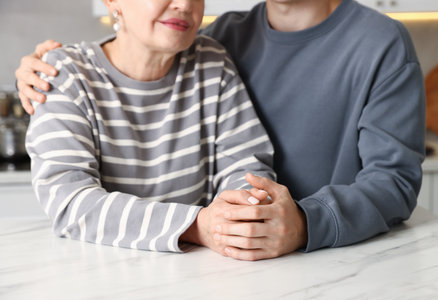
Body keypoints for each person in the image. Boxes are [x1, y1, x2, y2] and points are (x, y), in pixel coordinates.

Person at [16, 0, 426, 261]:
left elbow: (393, 181)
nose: (183, 5)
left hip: (319, 260)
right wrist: (51, 67)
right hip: (169, 261)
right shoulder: (220, 36)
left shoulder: (380, 42)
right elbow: (69, 198)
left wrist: (291, 220)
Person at [19, 0, 283, 258]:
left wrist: (240, 213)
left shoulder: (212, 62)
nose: (184, 4)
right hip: (100, 271)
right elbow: (71, 203)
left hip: (201, 269)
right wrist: (198, 225)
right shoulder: (64, 74)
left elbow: (246, 169)